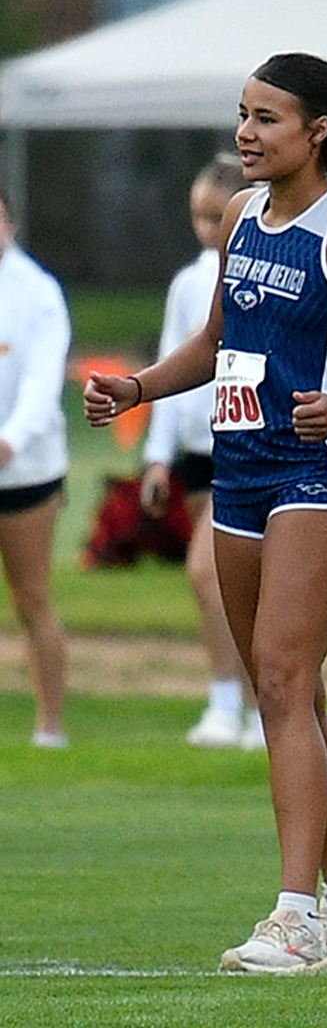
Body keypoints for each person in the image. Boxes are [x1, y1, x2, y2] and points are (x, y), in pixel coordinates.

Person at [84, 51, 327, 972]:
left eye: (267, 118)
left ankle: (295, 918)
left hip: (320, 475)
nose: (246, 132)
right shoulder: (238, 216)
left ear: (318, 131)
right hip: (239, 475)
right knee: (294, 694)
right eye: (243, 114)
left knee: (279, 676)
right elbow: (217, 341)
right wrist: (138, 388)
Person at [146, 154, 261, 750]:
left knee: (208, 571)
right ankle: (235, 703)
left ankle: (244, 703)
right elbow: (172, 363)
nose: (207, 229)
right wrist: (157, 457)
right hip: (197, 450)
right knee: (225, 586)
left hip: (243, 445)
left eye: (218, 217)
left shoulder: (259, 277)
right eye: (199, 216)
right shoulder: (188, 284)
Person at [0, 187, 71, 749]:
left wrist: (11, 440)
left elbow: (43, 382)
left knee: (30, 597)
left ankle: (50, 725)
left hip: (27, 471)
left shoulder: (38, 293)